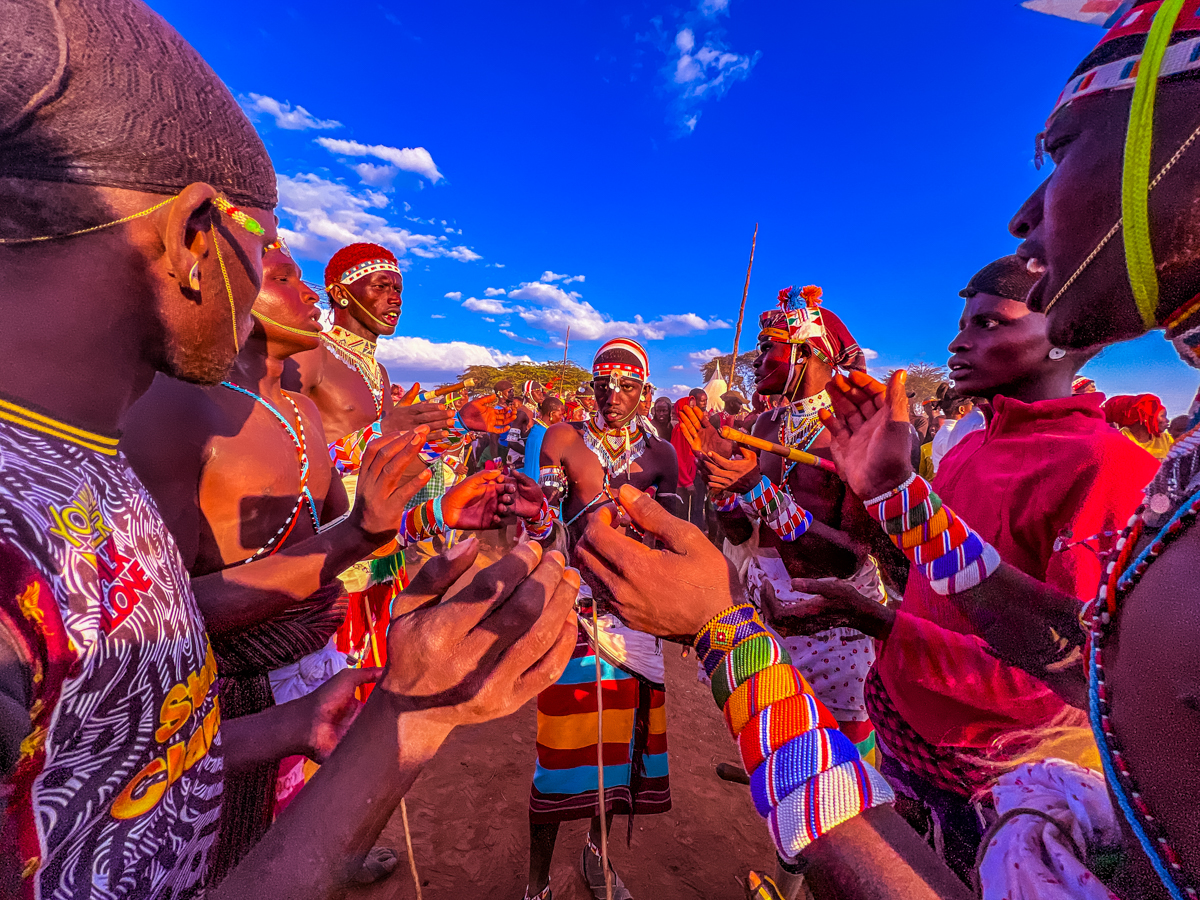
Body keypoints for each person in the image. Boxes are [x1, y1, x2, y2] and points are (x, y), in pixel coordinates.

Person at [0, 4, 579, 898]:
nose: (301, 286)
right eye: (271, 250)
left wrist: (314, 720)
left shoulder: (78, 456)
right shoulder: (22, 532)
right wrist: (412, 720)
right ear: (196, 234)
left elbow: (126, 762)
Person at [119, 240, 524, 876]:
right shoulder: (234, 392)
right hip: (251, 645)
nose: (394, 296)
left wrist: (435, 508)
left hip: (323, 606)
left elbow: (340, 510)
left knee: (325, 760)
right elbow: (157, 613)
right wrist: (389, 453)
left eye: (399, 285)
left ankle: (331, 842)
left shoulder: (312, 402)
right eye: (283, 276)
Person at [785, 256, 1159, 881]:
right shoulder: (969, 447)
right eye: (963, 323)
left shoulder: (1107, 469)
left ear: (1070, 336)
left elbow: (1066, 675)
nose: (959, 341)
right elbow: (927, 586)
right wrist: (886, 499)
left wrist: (881, 622)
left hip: (991, 773)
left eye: (989, 322)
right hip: (905, 734)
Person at [685, 285, 898, 751]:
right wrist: (722, 488)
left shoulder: (855, 432)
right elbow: (744, 534)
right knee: (782, 759)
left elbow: (848, 560)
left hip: (832, 630)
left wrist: (757, 491)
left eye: (767, 350)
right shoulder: (765, 427)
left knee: (842, 779)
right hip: (770, 617)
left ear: (805, 352)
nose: (757, 362)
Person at [289, 241, 515, 672]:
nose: (395, 298)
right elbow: (290, 449)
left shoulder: (378, 371)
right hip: (324, 549)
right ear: (339, 293)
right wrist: (386, 430)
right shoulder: (310, 352)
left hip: (376, 550)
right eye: (381, 286)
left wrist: (457, 428)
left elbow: (389, 460)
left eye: (399, 288)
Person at [523, 338, 681, 900]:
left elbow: (674, 538)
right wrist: (543, 529)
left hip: (637, 618)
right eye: (603, 384)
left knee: (620, 750)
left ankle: (598, 852)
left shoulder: (660, 456)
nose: (612, 395)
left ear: (644, 391)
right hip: (577, 611)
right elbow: (543, 528)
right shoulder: (563, 439)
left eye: (627, 386)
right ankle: (537, 883)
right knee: (561, 752)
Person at [1103, 393, 1175, 458]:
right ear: (1145, 418)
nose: (1167, 420)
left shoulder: (1165, 439)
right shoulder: (1121, 439)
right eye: (1163, 416)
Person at [928, 392, 980, 475]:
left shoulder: (945, 432)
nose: (972, 414)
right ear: (961, 410)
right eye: (971, 410)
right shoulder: (951, 434)